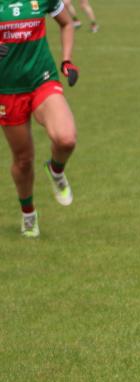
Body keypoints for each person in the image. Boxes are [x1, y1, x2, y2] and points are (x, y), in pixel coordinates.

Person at [1, 0, 79, 238]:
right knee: (23, 160)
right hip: (7, 89)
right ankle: (28, 214)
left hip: (42, 79)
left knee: (66, 139)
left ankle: (55, 171)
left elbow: (66, 23)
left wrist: (66, 60)